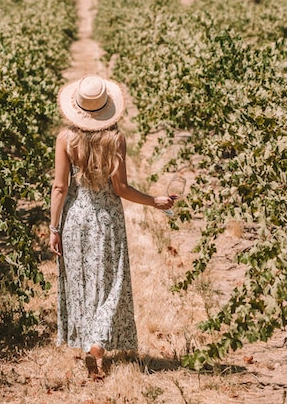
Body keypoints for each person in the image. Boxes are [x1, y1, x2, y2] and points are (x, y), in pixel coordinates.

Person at [49, 74, 174, 380]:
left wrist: (54, 228)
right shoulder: (115, 140)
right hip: (107, 220)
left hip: (76, 220)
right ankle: (97, 342)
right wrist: (153, 200)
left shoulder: (66, 139)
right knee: (109, 284)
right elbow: (121, 188)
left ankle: (88, 340)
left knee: (81, 285)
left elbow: (59, 187)